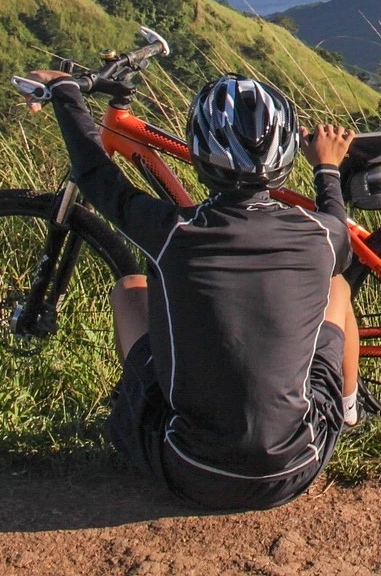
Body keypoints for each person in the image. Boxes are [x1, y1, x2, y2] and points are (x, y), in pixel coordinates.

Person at [22, 68, 361, 510]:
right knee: (337, 288)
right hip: (296, 467)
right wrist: (328, 168)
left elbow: (93, 170)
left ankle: (151, 405)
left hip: (190, 469)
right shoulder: (320, 235)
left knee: (129, 290)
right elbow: (338, 224)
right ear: (286, 158)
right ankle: (349, 410)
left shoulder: (170, 232)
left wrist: (66, 92)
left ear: (199, 157)